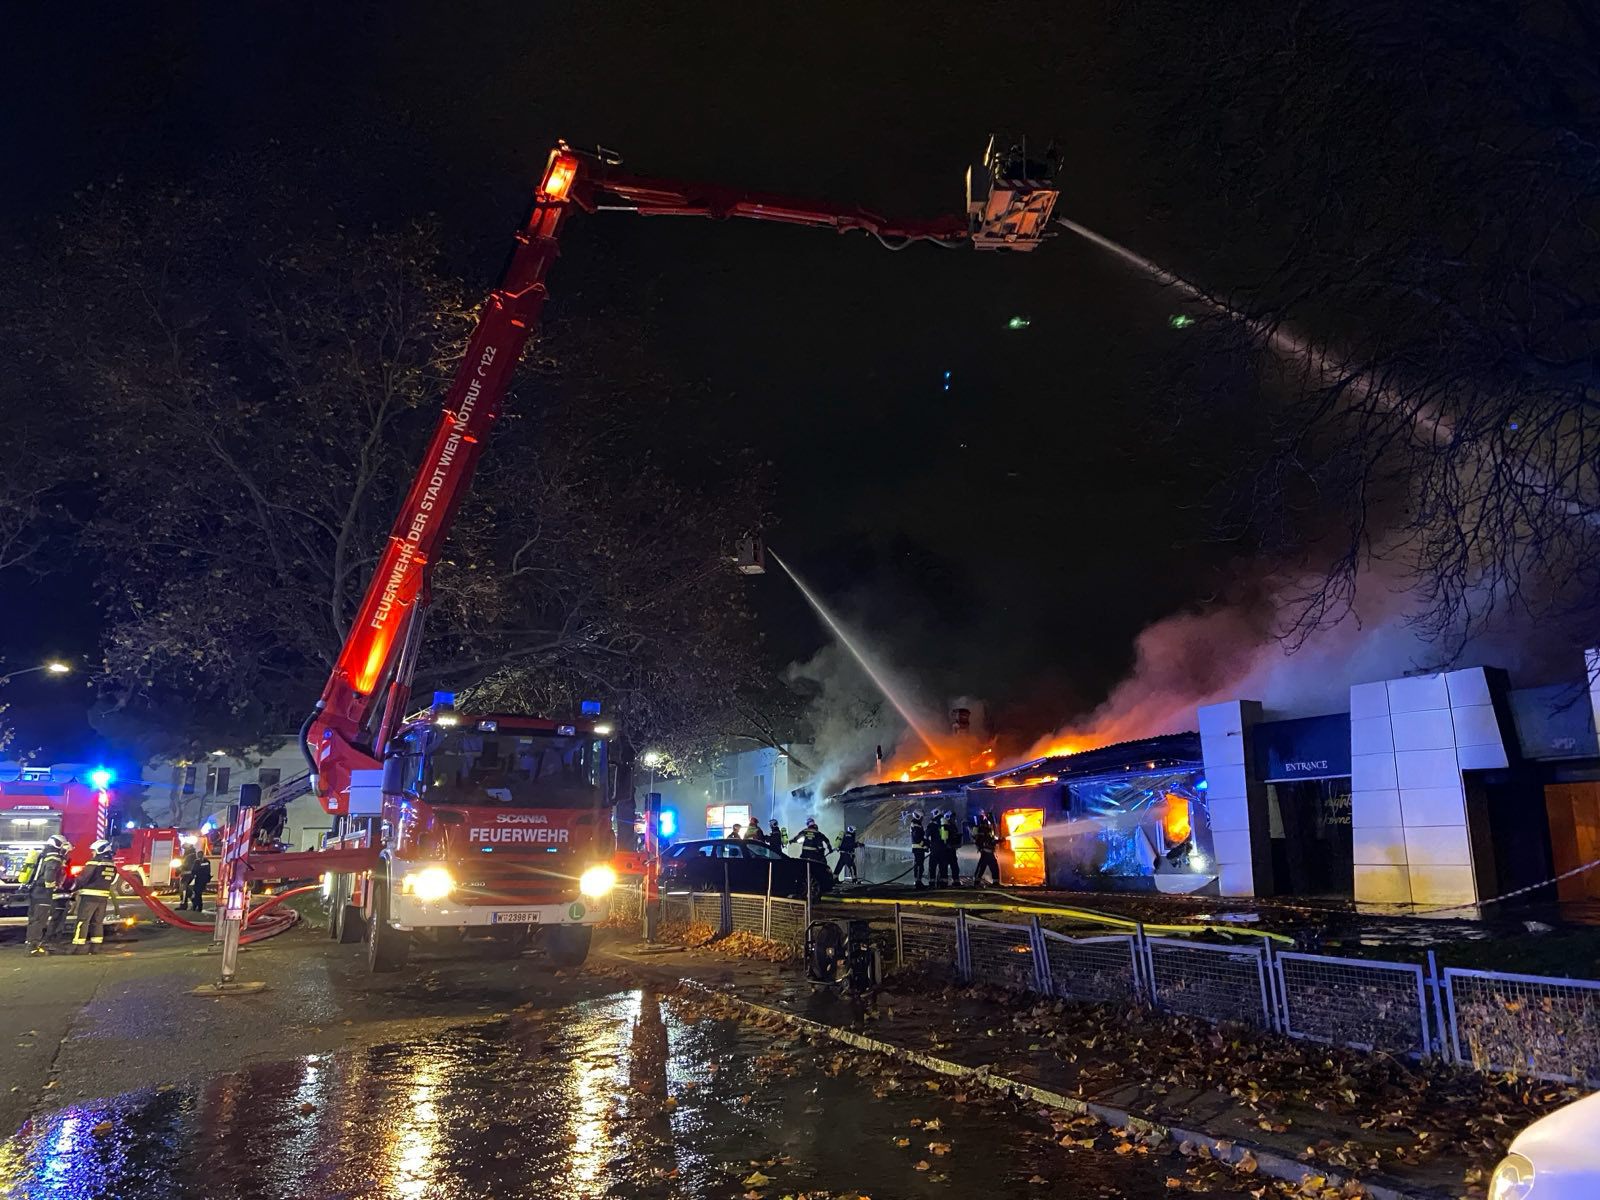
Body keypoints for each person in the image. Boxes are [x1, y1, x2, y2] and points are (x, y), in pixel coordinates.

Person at [71, 839, 119, 954]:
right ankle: (95, 948)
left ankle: (78, 948)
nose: (92, 853)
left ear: (99, 850)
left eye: (93, 851)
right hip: (103, 897)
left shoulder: (94, 863)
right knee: (97, 922)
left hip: (89, 897)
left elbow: (83, 878)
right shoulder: (112, 864)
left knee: (83, 921)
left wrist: (72, 887)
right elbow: (112, 881)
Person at [25, 835, 70, 955]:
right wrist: (53, 887)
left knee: (33, 919)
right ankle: (33, 948)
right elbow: (49, 876)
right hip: (43, 893)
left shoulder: (44, 854)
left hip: (35, 891)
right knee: (40, 920)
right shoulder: (54, 858)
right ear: (58, 844)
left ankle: (30, 943)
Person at [971, 815, 1000, 887]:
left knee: (984, 866)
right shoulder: (983, 829)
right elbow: (985, 840)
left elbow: (989, 840)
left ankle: (977, 882)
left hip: (987, 851)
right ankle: (977, 882)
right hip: (986, 851)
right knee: (989, 866)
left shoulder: (986, 829)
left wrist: (997, 841)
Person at [176, 843, 201, 910]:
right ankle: (194, 900)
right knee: (185, 888)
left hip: (188, 874)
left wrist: (178, 869)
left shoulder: (190, 856)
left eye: (185, 848)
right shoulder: (190, 855)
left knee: (183, 889)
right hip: (187, 874)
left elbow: (186, 865)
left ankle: (183, 904)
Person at [908, 811, 928, 889]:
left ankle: (918, 881)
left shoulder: (917, 824)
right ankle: (918, 882)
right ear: (918, 816)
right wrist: (924, 844)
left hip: (919, 848)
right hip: (918, 848)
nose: (922, 819)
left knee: (919, 865)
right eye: (922, 817)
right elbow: (917, 838)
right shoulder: (916, 824)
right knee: (919, 866)